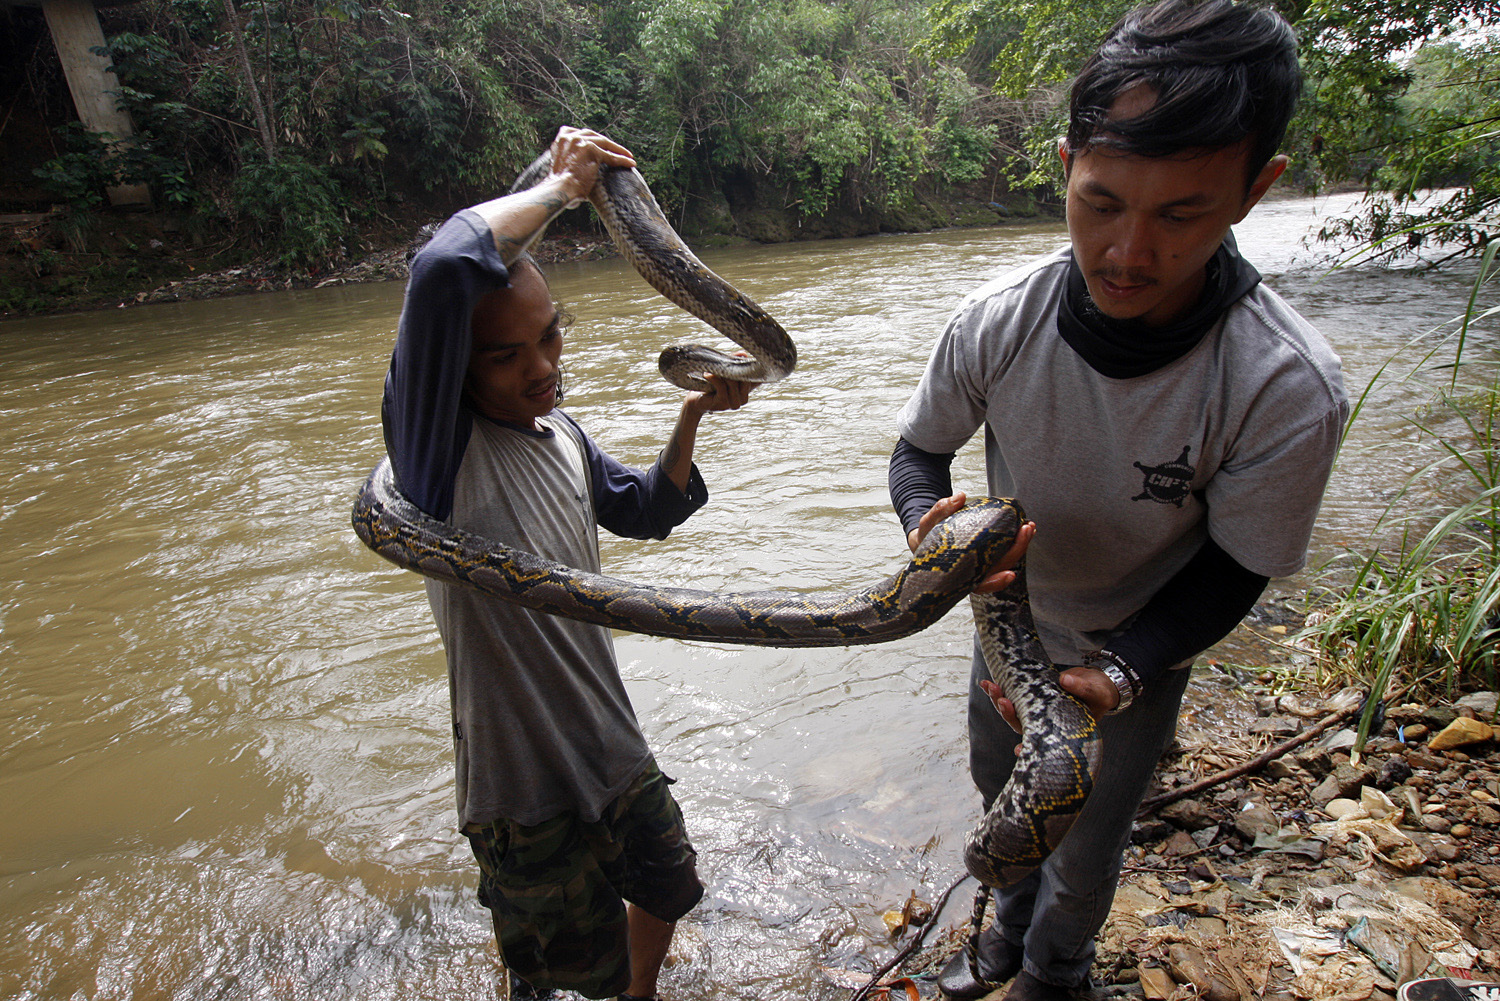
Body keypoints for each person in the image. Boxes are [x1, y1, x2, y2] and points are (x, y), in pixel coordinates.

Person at [887, 3, 1348, 1000]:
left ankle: (1058, 974)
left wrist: (1124, 668)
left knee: (1088, 848)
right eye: (1101, 201)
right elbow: (919, 455)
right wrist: (932, 538)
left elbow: (1238, 564)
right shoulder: (996, 324)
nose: (1129, 251)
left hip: (1136, 650)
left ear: (1256, 189)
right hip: (1006, 621)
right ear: (1065, 168)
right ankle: (1002, 939)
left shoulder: (1282, 382)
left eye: (1181, 212)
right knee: (998, 789)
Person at [381, 126, 756, 1001]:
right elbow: (442, 273)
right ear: (453, 371)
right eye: (506, 356)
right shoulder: (434, 458)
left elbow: (649, 512)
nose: (543, 367)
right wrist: (562, 189)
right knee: (556, 969)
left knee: (669, 885)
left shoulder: (563, 433)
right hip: (522, 782)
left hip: (609, 740)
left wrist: (695, 414)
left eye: (549, 338)